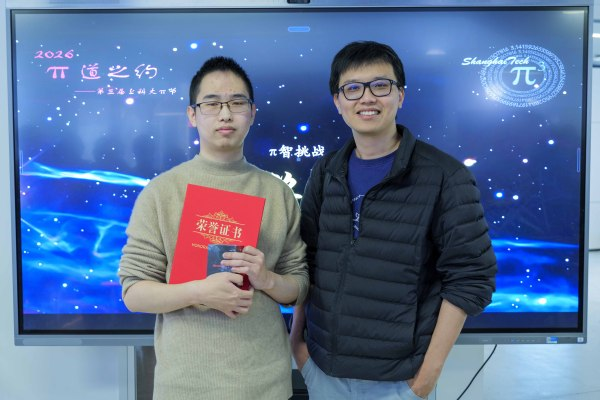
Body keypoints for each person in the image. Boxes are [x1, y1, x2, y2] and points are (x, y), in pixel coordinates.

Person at [290, 41, 497, 400]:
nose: (366, 98)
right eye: (352, 89)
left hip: (401, 381)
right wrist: (298, 345)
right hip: (323, 371)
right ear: (338, 101)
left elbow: (471, 278)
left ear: (400, 95)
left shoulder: (445, 176)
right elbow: (304, 261)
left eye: (380, 85)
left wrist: (425, 379)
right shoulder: (326, 172)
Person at [118, 56, 309, 400]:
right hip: (186, 386)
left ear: (252, 113)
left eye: (237, 103)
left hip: (266, 384)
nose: (225, 114)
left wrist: (266, 278)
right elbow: (134, 293)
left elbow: (298, 286)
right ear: (192, 115)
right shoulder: (162, 192)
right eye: (211, 103)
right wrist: (198, 292)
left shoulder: (277, 192)